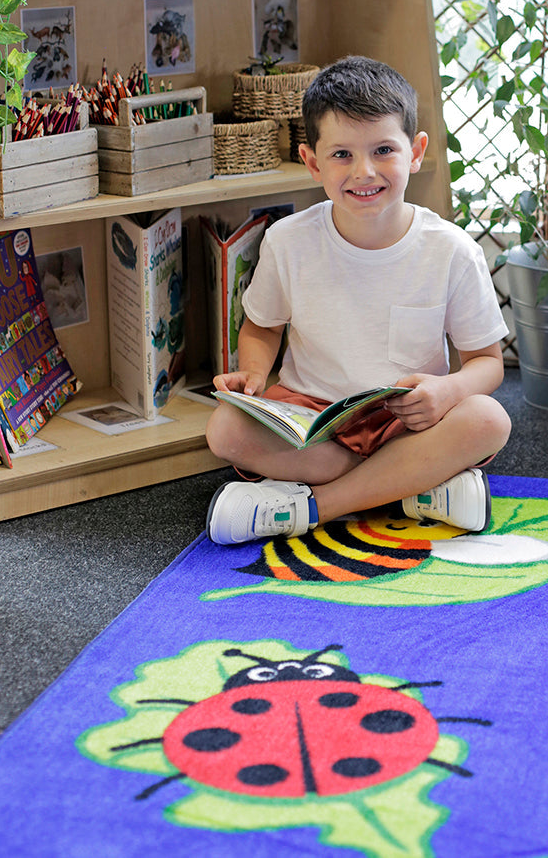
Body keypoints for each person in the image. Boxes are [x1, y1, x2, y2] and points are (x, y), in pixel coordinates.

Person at [205, 55, 511, 544]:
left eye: (383, 150)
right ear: (311, 162)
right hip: (314, 421)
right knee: (225, 430)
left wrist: (447, 393)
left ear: (415, 152)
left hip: (409, 422)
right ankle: (413, 485)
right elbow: (262, 328)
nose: (364, 172)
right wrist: (256, 373)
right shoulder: (287, 240)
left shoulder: (452, 250)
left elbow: (486, 364)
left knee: (488, 419)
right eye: (342, 154)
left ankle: (316, 506)